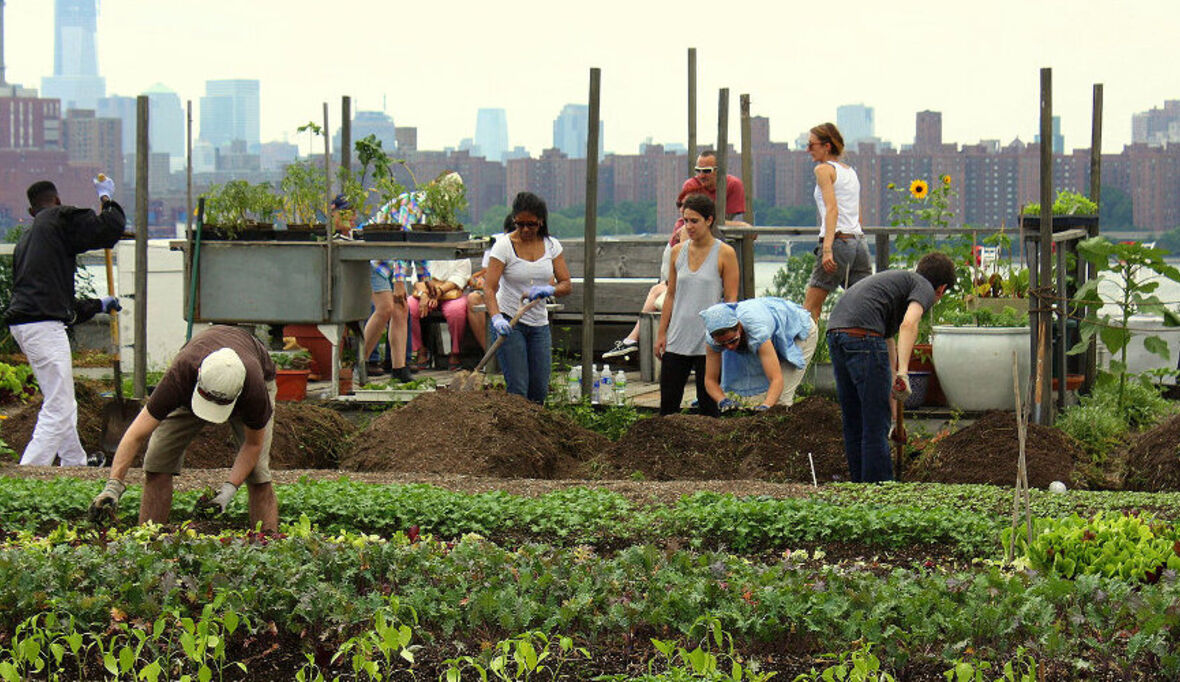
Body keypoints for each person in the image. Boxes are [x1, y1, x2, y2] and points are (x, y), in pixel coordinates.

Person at [87, 325, 280, 530]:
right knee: (157, 463)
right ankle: (148, 544)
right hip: (190, 392)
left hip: (251, 378)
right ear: (198, 375)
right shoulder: (180, 374)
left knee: (258, 474)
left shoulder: (255, 390)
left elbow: (253, 445)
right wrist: (113, 487)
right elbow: (136, 434)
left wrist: (227, 492)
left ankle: (265, 547)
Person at [4, 178, 124, 466]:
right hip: (43, 327)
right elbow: (109, 230)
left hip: (27, 325)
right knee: (58, 405)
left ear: (31, 212)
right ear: (56, 201)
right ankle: (29, 472)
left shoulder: (29, 239)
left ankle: (75, 463)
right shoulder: (60, 217)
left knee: (62, 399)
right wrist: (107, 199)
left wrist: (99, 304)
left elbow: (61, 304)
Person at [826, 252, 956, 483]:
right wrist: (905, 372)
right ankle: (880, 490)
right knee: (875, 423)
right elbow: (909, 324)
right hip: (864, 336)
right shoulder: (924, 286)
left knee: (854, 419)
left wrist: (896, 417)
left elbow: (888, 351)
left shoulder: (896, 284)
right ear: (941, 289)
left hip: (836, 333)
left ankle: (858, 487)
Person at [360, 174, 465, 381]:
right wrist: (400, 282)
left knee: (401, 309)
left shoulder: (431, 212)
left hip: (393, 263)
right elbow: (403, 241)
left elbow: (420, 246)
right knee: (385, 308)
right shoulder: (413, 203)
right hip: (377, 258)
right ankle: (359, 363)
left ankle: (400, 369)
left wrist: (426, 281)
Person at [655, 193, 740, 417]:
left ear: (709, 220)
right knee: (668, 404)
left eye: (694, 221)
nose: (689, 226)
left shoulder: (725, 253)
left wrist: (728, 335)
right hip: (677, 337)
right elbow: (671, 294)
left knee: (708, 406)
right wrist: (661, 332)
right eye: (685, 221)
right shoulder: (677, 252)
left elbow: (731, 299)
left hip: (709, 340)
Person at [484, 192, 572, 404]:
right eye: (520, 224)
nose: (525, 230)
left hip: (538, 324)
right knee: (519, 389)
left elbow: (566, 284)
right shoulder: (504, 246)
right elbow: (489, 288)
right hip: (510, 321)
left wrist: (548, 290)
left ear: (541, 221)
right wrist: (497, 319)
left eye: (531, 225)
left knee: (540, 389)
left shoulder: (551, 246)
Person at [803, 122, 873, 323]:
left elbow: (832, 209)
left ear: (827, 146)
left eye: (811, 145)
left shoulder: (824, 170)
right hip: (858, 243)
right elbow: (858, 213)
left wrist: (827, 249)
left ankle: (807, 354)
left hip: (838, 242)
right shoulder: (850, 171)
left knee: (810, 308)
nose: (808, 150)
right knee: (865, 306)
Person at [699, 297, 818, 412]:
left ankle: (783, 429)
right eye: (722, 344)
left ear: (739, 326)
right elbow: (710, 380)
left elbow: (776, 379)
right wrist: (723, 401)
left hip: (799, 331)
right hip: (773, 332)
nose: (729, 347)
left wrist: (766, 408)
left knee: (780, 400)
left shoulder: (757, 330)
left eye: (732, 341)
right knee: (758, 399)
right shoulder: (712, 339)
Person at [602, 223, 687, 360]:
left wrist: (684, 238)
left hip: (687, 293)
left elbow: (683, 273)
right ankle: (631, 340)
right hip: (673, 289)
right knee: (657, 290)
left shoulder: (692, 239)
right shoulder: (679, 229)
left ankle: (631, 340)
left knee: (657, 290)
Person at [407, 258, 473, 371]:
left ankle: (455, 352)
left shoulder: (462, 254)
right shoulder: (425, 247)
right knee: (409, 306)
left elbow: (459, 277)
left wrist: (438, 292)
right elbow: (417, 277)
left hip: (451, 293)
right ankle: (420, 350)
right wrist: (424, 294)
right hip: (425, 292)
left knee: (455, 311)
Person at [466, 214, 515, 351]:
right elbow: (486, 274)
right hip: (497, 291)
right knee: (473, 299)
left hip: (521, 296)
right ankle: (491, 352)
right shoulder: (497, 244)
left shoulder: (539, 245)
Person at [680, 149, 747, 223]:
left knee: (748, 230)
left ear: (719, 170)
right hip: (690, 229)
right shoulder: (691, 185)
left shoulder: (733, 185)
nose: (701, 175)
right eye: (698, 170)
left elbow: (724, 220)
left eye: (707, 171)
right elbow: (690, 219)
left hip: (717, 229)